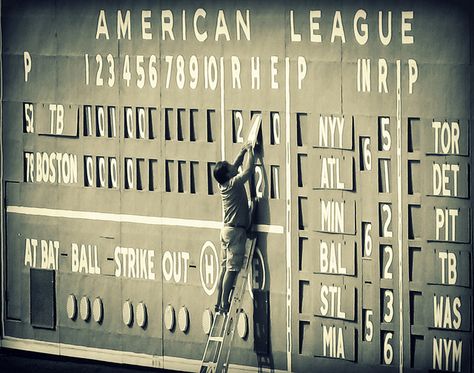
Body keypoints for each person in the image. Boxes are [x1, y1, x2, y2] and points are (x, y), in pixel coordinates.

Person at [213, 141, 255, 313]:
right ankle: (224, 305)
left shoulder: (223, 184)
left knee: (224, 269)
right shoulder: (235, 183)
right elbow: (248, 170)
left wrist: (242, 151)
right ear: (228, 174)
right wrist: (250, 152)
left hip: (226, 231)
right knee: (231, 271)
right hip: (235, 232)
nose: (234, 166)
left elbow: (236, 165)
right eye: (230, 167)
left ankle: (218, 303)